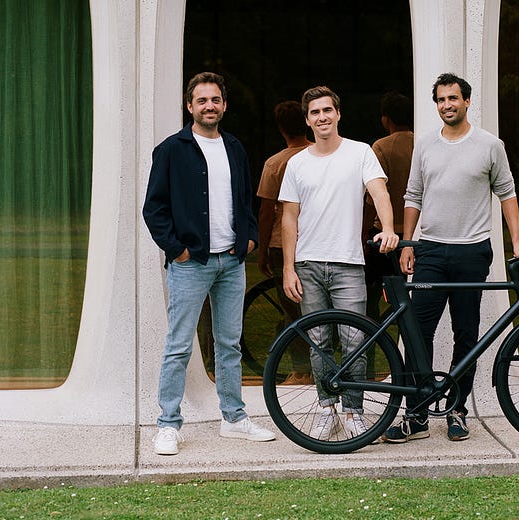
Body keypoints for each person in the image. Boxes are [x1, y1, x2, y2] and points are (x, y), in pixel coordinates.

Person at [382, 73, 519, 444]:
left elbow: (507, 193)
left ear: (466, 102)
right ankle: (416, 415)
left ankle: (457, 411)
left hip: (472, 251)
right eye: (441, 100)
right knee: (418, 333)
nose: (447, 105)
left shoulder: (490, 145)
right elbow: (413, 195)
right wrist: (408, 244)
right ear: (437, 105)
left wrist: (516, 242)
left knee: (466, 334)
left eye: (453, 98)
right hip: (430, 250)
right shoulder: (425, 145)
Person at [143, 71, 275, 456]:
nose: (209, 106)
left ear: (224, 105)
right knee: (178, 346)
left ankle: (234, 418)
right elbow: (154, 209)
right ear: (190, 106)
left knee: (229, 343)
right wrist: (177, 250)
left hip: (231, 262)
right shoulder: (172, 149)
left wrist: (249, 238)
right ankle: (168, 424)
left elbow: (246, 200)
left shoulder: (234, 147)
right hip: (190, 264)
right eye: (201, 100)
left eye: (215, 100)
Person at [279, 85, 399, 440]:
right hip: (308, 265)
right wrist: (288, 267)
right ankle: (326, 409)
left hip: (348, 263)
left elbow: (379, 192)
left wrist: (388, 228)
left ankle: (353, 411)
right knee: (318, 343)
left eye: (327, 110)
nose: (322, 117)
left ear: (338, 114)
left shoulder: (360, 153)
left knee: (354, 342)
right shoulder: (297, 163)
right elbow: (289, 218)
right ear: (307, 120)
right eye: (315, 113)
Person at [256, 101, 312, 385]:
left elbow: (266, 212)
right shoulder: (318, 154)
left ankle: (302, 370)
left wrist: (262, 249)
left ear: (281, 128)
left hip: (281, 243)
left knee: (292, 310)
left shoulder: (275, 163)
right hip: (314, 240)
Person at [363, 91, 414, 322]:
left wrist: (363, 231)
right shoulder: (420, 143)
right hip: (415, 231)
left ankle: (372, 334)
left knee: (371, 293)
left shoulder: (381, 147)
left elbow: (373, 196)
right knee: (409, 294)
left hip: (384, 233)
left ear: (386, 119)